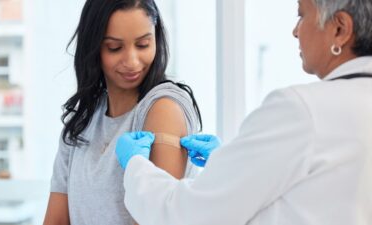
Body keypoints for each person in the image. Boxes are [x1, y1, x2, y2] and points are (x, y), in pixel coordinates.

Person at [115, 0, 372, 224]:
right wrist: (229, 164)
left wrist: (137, 168)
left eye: (301, 14)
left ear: (340, 29)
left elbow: (189, 216)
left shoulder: (302, 109)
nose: (295, 31)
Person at [43, 0, 202, 224]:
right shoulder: (81, 122)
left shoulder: (163, 108)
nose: (132, 61)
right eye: (114, 48)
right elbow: (56, 220)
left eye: (143, 44)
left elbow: (158, 218)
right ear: (94, 46)